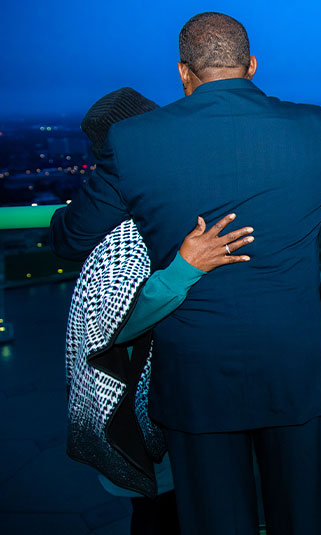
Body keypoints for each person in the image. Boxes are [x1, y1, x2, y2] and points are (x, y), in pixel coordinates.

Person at [50, 11, 321, 534]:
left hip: (195, 379)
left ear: (183, 72)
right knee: (306, 519)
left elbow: (69, 238)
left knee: (214, 522)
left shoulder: (132, 141)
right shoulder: (319, 127)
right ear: (251, 65)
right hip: (292, 369)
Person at [65, 87, 254, 534]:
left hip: (172, 396)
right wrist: (184, 270)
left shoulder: (118, 202)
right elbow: (114, 324)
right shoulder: (124, 227)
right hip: (151, 405)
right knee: (165, 513)